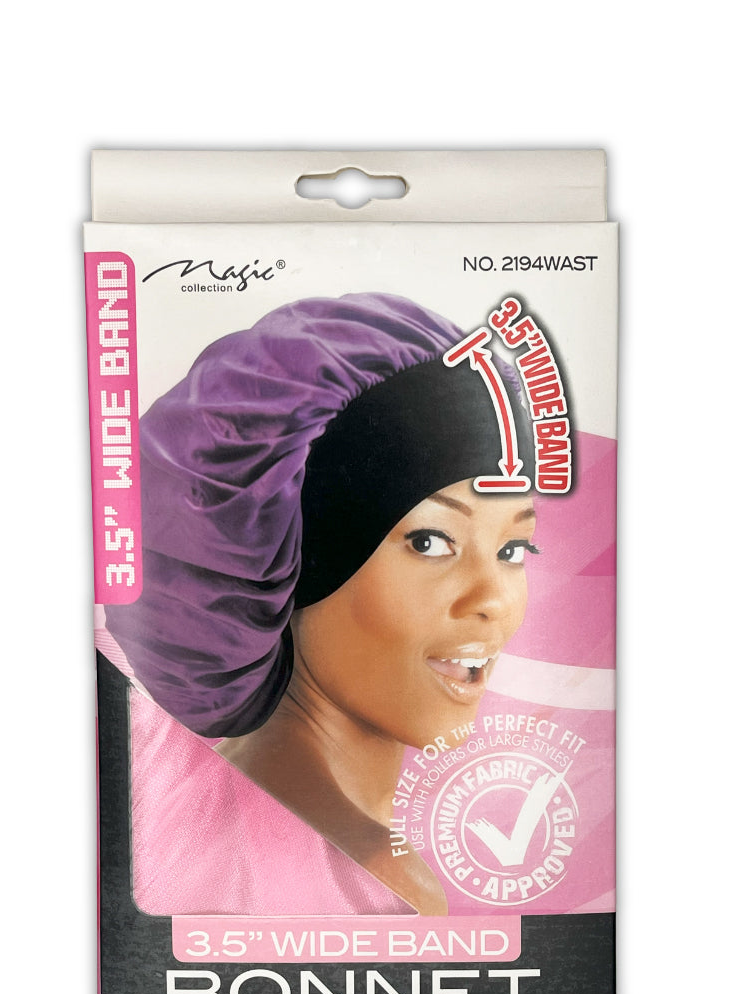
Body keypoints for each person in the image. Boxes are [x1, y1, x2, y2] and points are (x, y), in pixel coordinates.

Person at [105, 293, 538, 916]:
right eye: (430, 541)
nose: (493, 599)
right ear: (293, 562)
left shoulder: (178, 810)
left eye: (514, 549)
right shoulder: (379, 882)